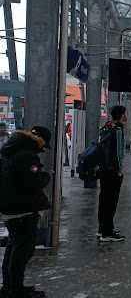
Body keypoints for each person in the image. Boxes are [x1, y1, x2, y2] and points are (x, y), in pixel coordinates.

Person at [0, 126, 52, 298]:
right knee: (22, 252)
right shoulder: (26, 156)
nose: (42, 150)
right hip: (23, 210)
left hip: (11, 207)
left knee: (12, 248)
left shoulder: (10, 151)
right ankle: (16, 291)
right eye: (43, 146)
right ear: (40, 142)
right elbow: (33, 182)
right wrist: (46, 176)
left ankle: (9, 287)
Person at [97, 105, 126, 242]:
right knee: (110, 202)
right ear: (121, 115)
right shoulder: (117, 130)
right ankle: (107, 233)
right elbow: (117, 153)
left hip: (103, 170)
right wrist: (119, 170)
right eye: (125, 113)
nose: (126, 115)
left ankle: (102, 229)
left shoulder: (106, 127)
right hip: (112, 172)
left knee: (104, 200)